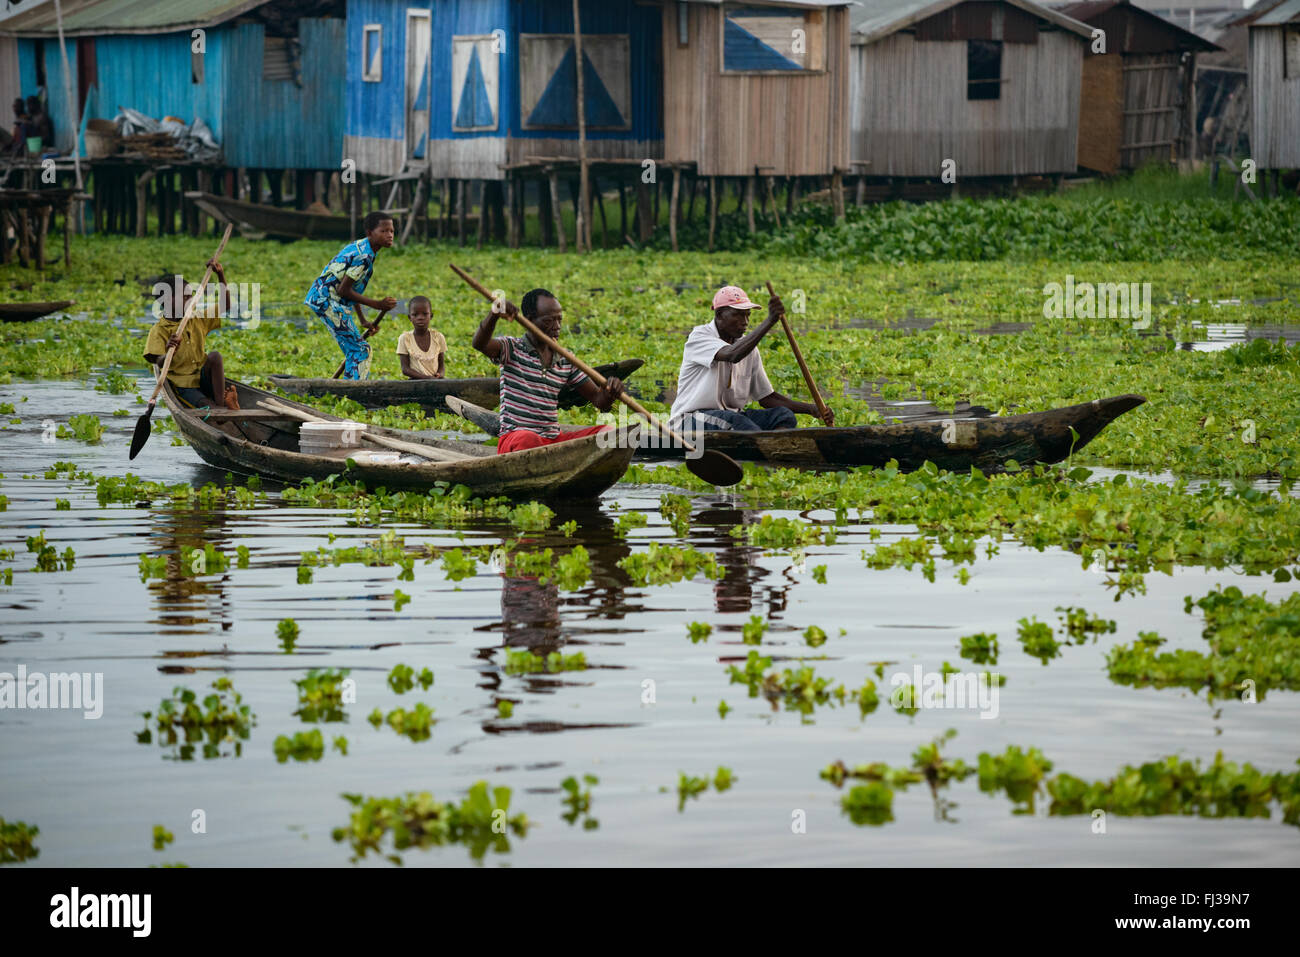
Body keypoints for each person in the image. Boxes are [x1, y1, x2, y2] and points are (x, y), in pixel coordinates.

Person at [472, 287, 624, 454]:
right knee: (527, 439)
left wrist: (610, 392)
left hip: (552, 440)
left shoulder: (566, 359)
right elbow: (480, 344)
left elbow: (598, 399)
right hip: (516, 438)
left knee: (608, 433)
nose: (556, 327)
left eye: (559, 320)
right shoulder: (512, 349)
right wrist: (494, 314)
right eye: (549, 321)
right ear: (529, 320)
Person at [669, 285, 834, 432]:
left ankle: (775, 449)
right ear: (719, 315)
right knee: (738, 423)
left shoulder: (749, 348)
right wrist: (770, 321)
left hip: (730, 417)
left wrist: (812, 409)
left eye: (747, 315)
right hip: (690, 419)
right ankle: (765, 448)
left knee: (784, 416)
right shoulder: (699, 337)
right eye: (738, 315)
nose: (745, 322)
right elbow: (732, 355)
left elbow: (767, 398)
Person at [303, 211, 397, 380]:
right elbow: (343, 290)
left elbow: (352, 289)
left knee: (355, 348)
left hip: (324, 298)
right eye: (384, 231)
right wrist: (377, 304)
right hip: (326, 300)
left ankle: (348, 387)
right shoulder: (364, 256)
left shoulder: (364, 247)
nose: (389, 235)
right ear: (370, 233)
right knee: (360, 350)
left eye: (391, 231)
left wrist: (362, 320)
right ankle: (353, 392)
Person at [142, 261, 238, 409]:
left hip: (202, 377)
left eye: (191, 296)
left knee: (215, 356)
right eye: (185, 297)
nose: (191, 301)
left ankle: (221, 405)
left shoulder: (197, 318)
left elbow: (226, 305)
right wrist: (168, 351)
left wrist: (220, 274)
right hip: (184, 386)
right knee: (207, 407)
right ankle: (217, 411)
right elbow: (159, 362)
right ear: (167, 300)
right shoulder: (159, 330)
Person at [396, 295, 446, 379]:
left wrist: (439, 374)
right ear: (409, 317)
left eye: (425, 314)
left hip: (436, 382)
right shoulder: (405, 338)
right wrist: (427, 378)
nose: (420, 318)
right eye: (415, 315)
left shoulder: (438, 337)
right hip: (415, 383)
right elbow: (405, 369)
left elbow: (441, 365)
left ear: (431, 316)